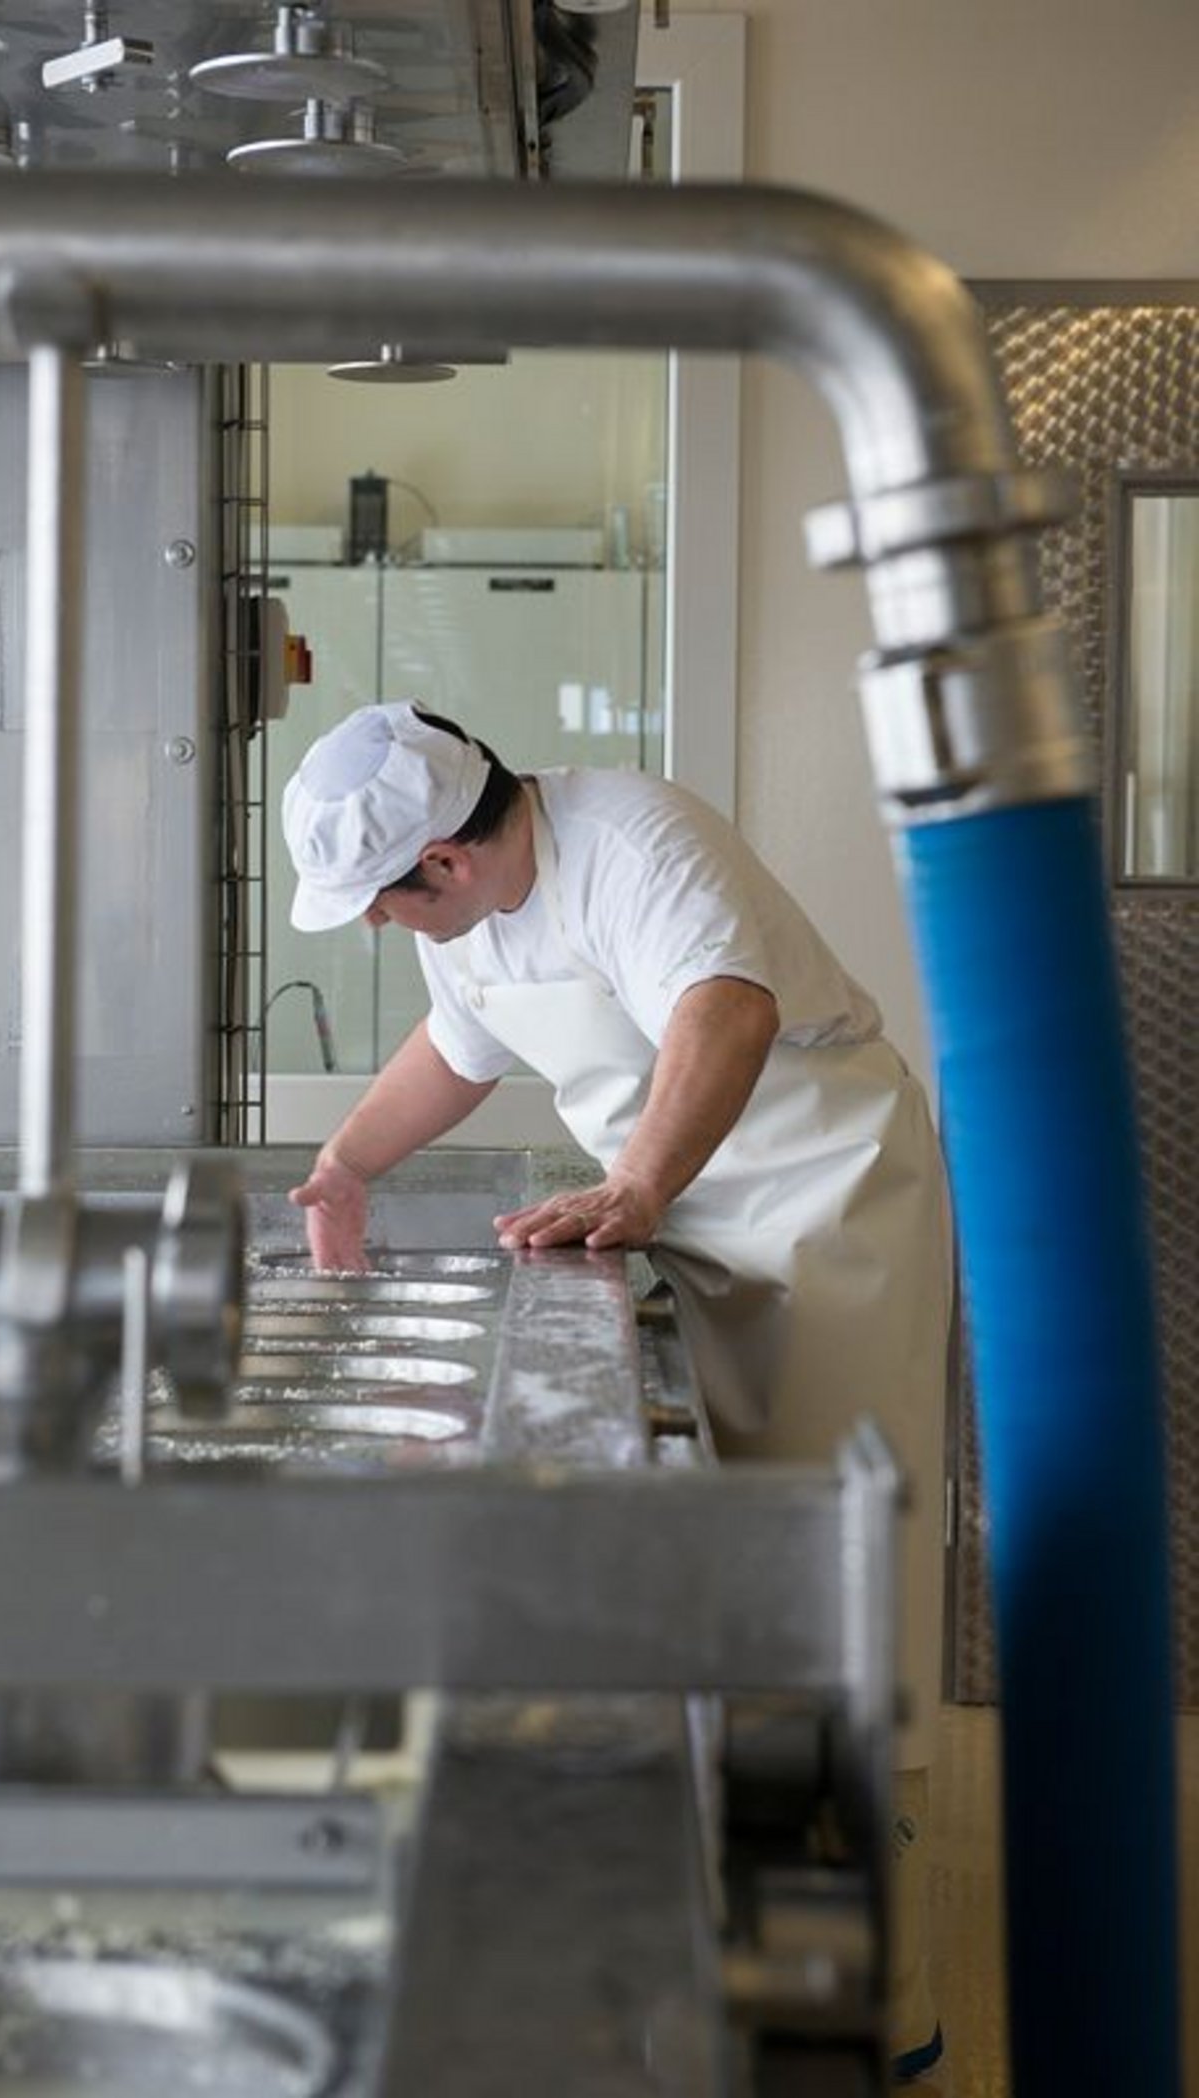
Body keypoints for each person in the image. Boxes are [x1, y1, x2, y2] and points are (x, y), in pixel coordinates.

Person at [282, 700, 951, 2083]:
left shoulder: (633, 838)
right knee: (737, 1575)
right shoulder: (479, 921)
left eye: (382, 904)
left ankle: (897, 2004)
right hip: (678, 1214)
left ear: (446, 864)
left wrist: (640, 1183)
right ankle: (743, 1929)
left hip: (821, 1210)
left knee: (834, 1588)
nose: (381, 928)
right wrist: (345, 1166)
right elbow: (455, 1056)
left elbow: (728, 1007)